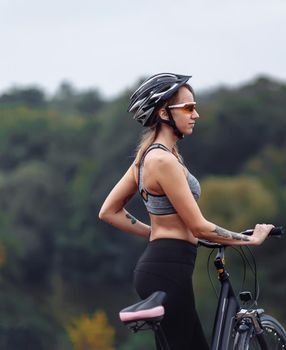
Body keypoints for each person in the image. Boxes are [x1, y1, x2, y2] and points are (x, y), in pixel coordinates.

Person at [98, 73, 274, 350]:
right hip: (167, 270)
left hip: (165, 266)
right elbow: (199, 227)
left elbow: (109, 211)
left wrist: (156, 233)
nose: (196, 115)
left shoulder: (147, 158)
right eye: (189, 108)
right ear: (164, 112)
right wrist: (250, 239)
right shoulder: (163, 161)